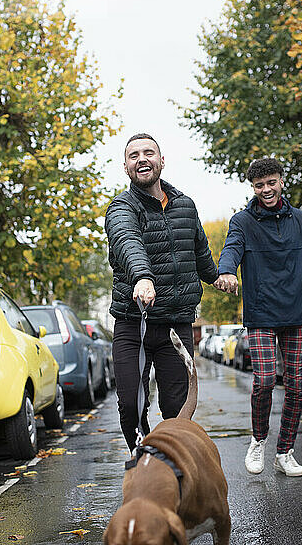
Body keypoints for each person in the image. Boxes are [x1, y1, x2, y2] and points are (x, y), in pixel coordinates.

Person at [214, 157, 302, 477]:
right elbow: (232, 249)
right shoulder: (242, 222)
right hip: (261, 313)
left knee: (295, 386)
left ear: (281, 181)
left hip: (295, 314)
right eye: (259, 185)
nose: (266, 190)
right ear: (253, 188)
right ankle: (258, 440)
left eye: (271, 183)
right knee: (264, 380)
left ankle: (285, 451)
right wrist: (226, 271)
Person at [105, 133, 218, 452]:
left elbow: (198, 250)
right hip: (132, 325)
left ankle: (172, 466)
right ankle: (141, 457)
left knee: (177, 410)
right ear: (126, 167)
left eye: (148, 152)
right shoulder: (121, 208)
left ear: (161, 160)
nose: (142, 158)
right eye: (133, 155)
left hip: (176, 325)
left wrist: (217, 276)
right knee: (130, 405)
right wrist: (142, 277)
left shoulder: (185, 204)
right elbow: (128, 242)